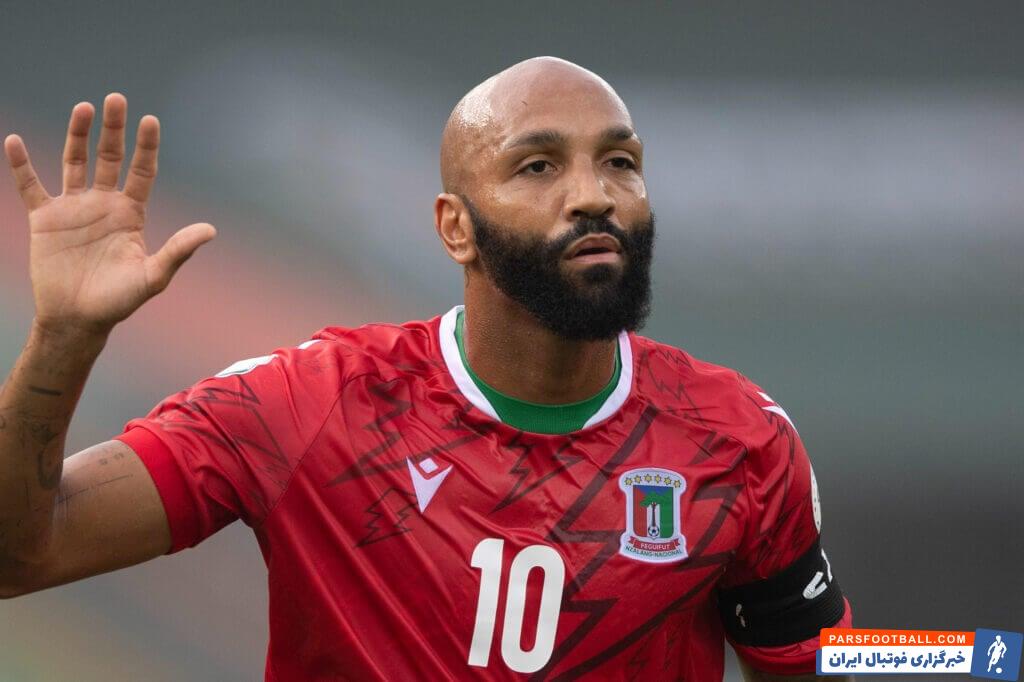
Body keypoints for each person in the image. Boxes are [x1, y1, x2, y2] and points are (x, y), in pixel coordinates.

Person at [0, 57, 852, 681]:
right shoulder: (307, 405)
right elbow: (18, 557)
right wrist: (65, 337)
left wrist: (940, 651)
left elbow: (830, 660)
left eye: (620, 162)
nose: (594, 194)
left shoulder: (739, 437)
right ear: (455, 227)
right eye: (539, 166)